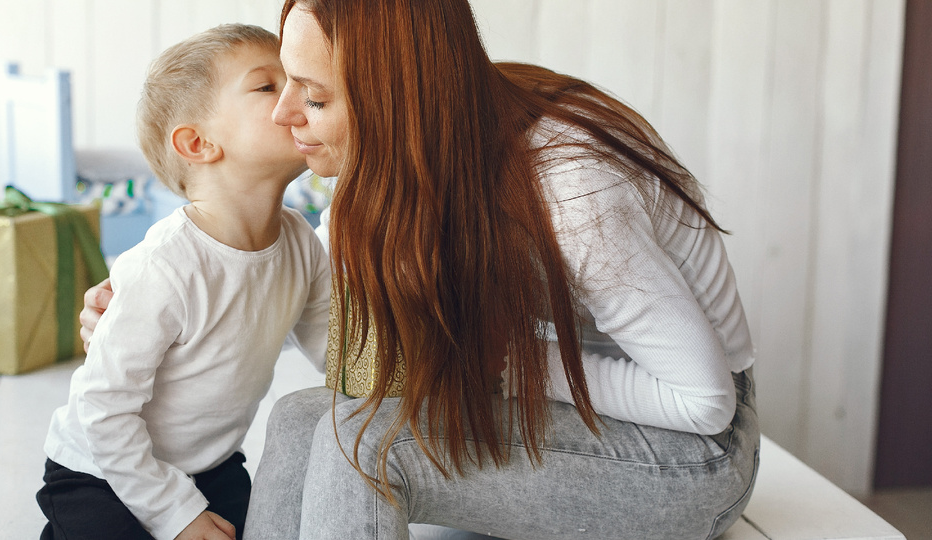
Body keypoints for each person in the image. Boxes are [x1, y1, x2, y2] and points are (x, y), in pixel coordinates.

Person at [84, 0, 759, 537]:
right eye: (283, 81)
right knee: (301, 417)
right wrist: (140, 312)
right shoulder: (407, 153)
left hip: (687, 456)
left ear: (391, 98)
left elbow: (704, 403)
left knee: (365, 441)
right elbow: (337, 335)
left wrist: (500, 362)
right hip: (557, 406)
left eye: (313, 95)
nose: (287, 113)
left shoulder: (572, 190)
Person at [37, 24, 330, 540]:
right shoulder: (165, 264)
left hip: (210, 466)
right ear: (198, 143)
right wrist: (177, 514)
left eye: (299, 85)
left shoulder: (302, 241)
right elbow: (103, 410)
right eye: (268, 86)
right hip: (100, 471)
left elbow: (341, 349)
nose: (296, 99)